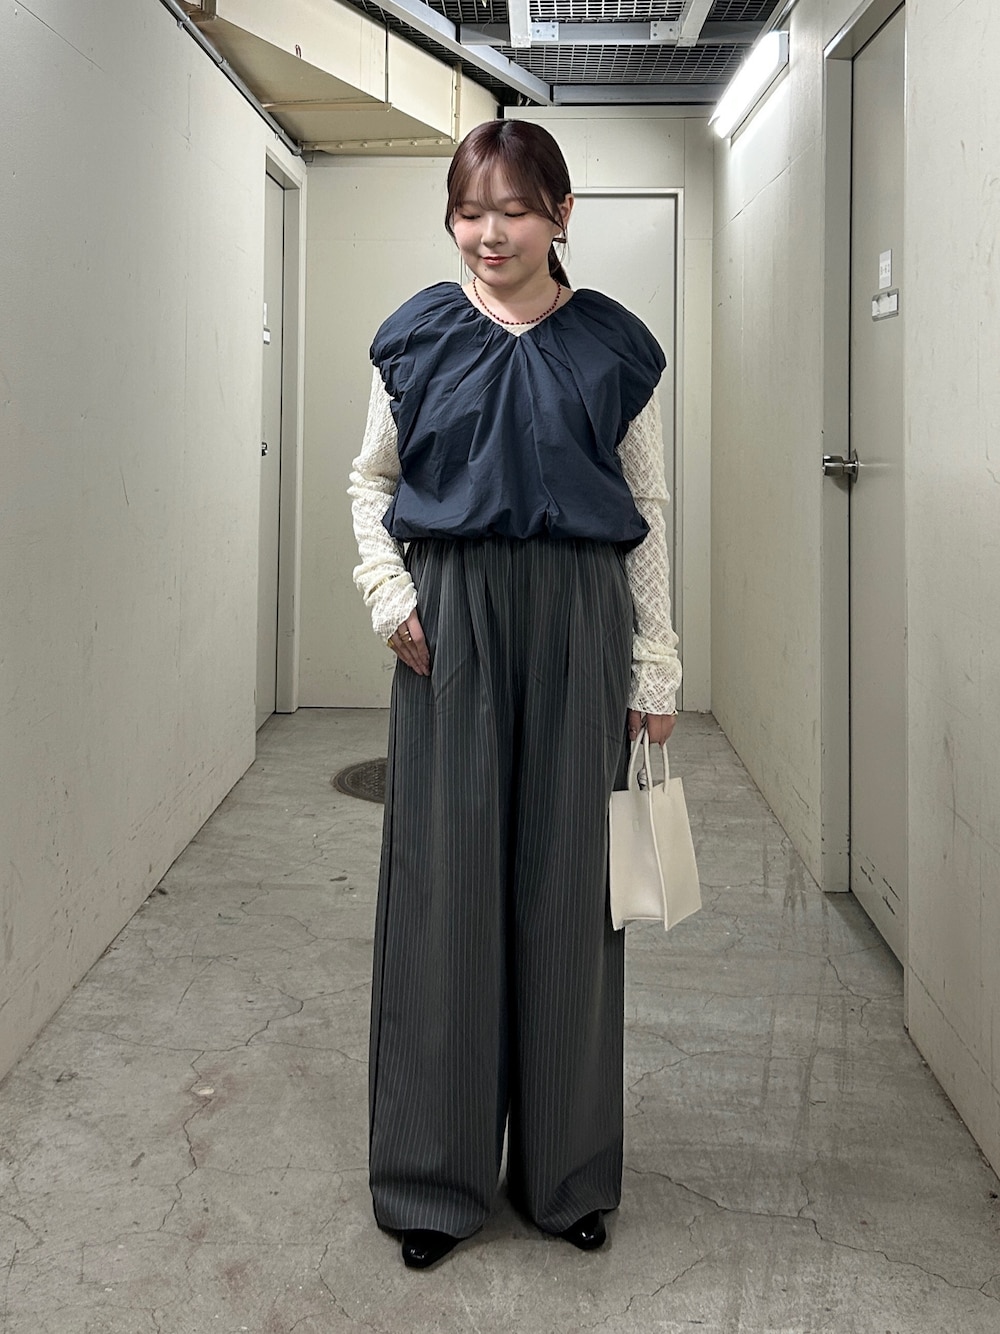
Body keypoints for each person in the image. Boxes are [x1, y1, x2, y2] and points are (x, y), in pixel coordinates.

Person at [348, 118, 681, 1270]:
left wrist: (654, 660)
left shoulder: (611, 347)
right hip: (450, 621)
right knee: (442, 886)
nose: (489, 233)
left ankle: (565, 1172)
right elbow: (370, 480)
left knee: (570, 890)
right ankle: (431, 1179)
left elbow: (648, 509)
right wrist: (390, 594)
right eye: (469, 210)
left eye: (514, 210)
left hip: (581, 617)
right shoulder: (417, 338)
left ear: (560, 214)